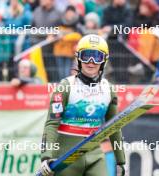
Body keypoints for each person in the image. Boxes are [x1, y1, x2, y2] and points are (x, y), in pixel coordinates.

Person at [39, 34, 125, 176]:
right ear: (78, 57)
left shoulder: (109, 89)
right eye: (86, 56)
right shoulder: (65, 86)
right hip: (65, 157)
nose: (91, 62)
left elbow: (114, 127)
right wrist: (46, 157)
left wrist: (121, 161)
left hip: (95, 156)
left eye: (97, 57)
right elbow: (52, 123)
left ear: (104, 60)